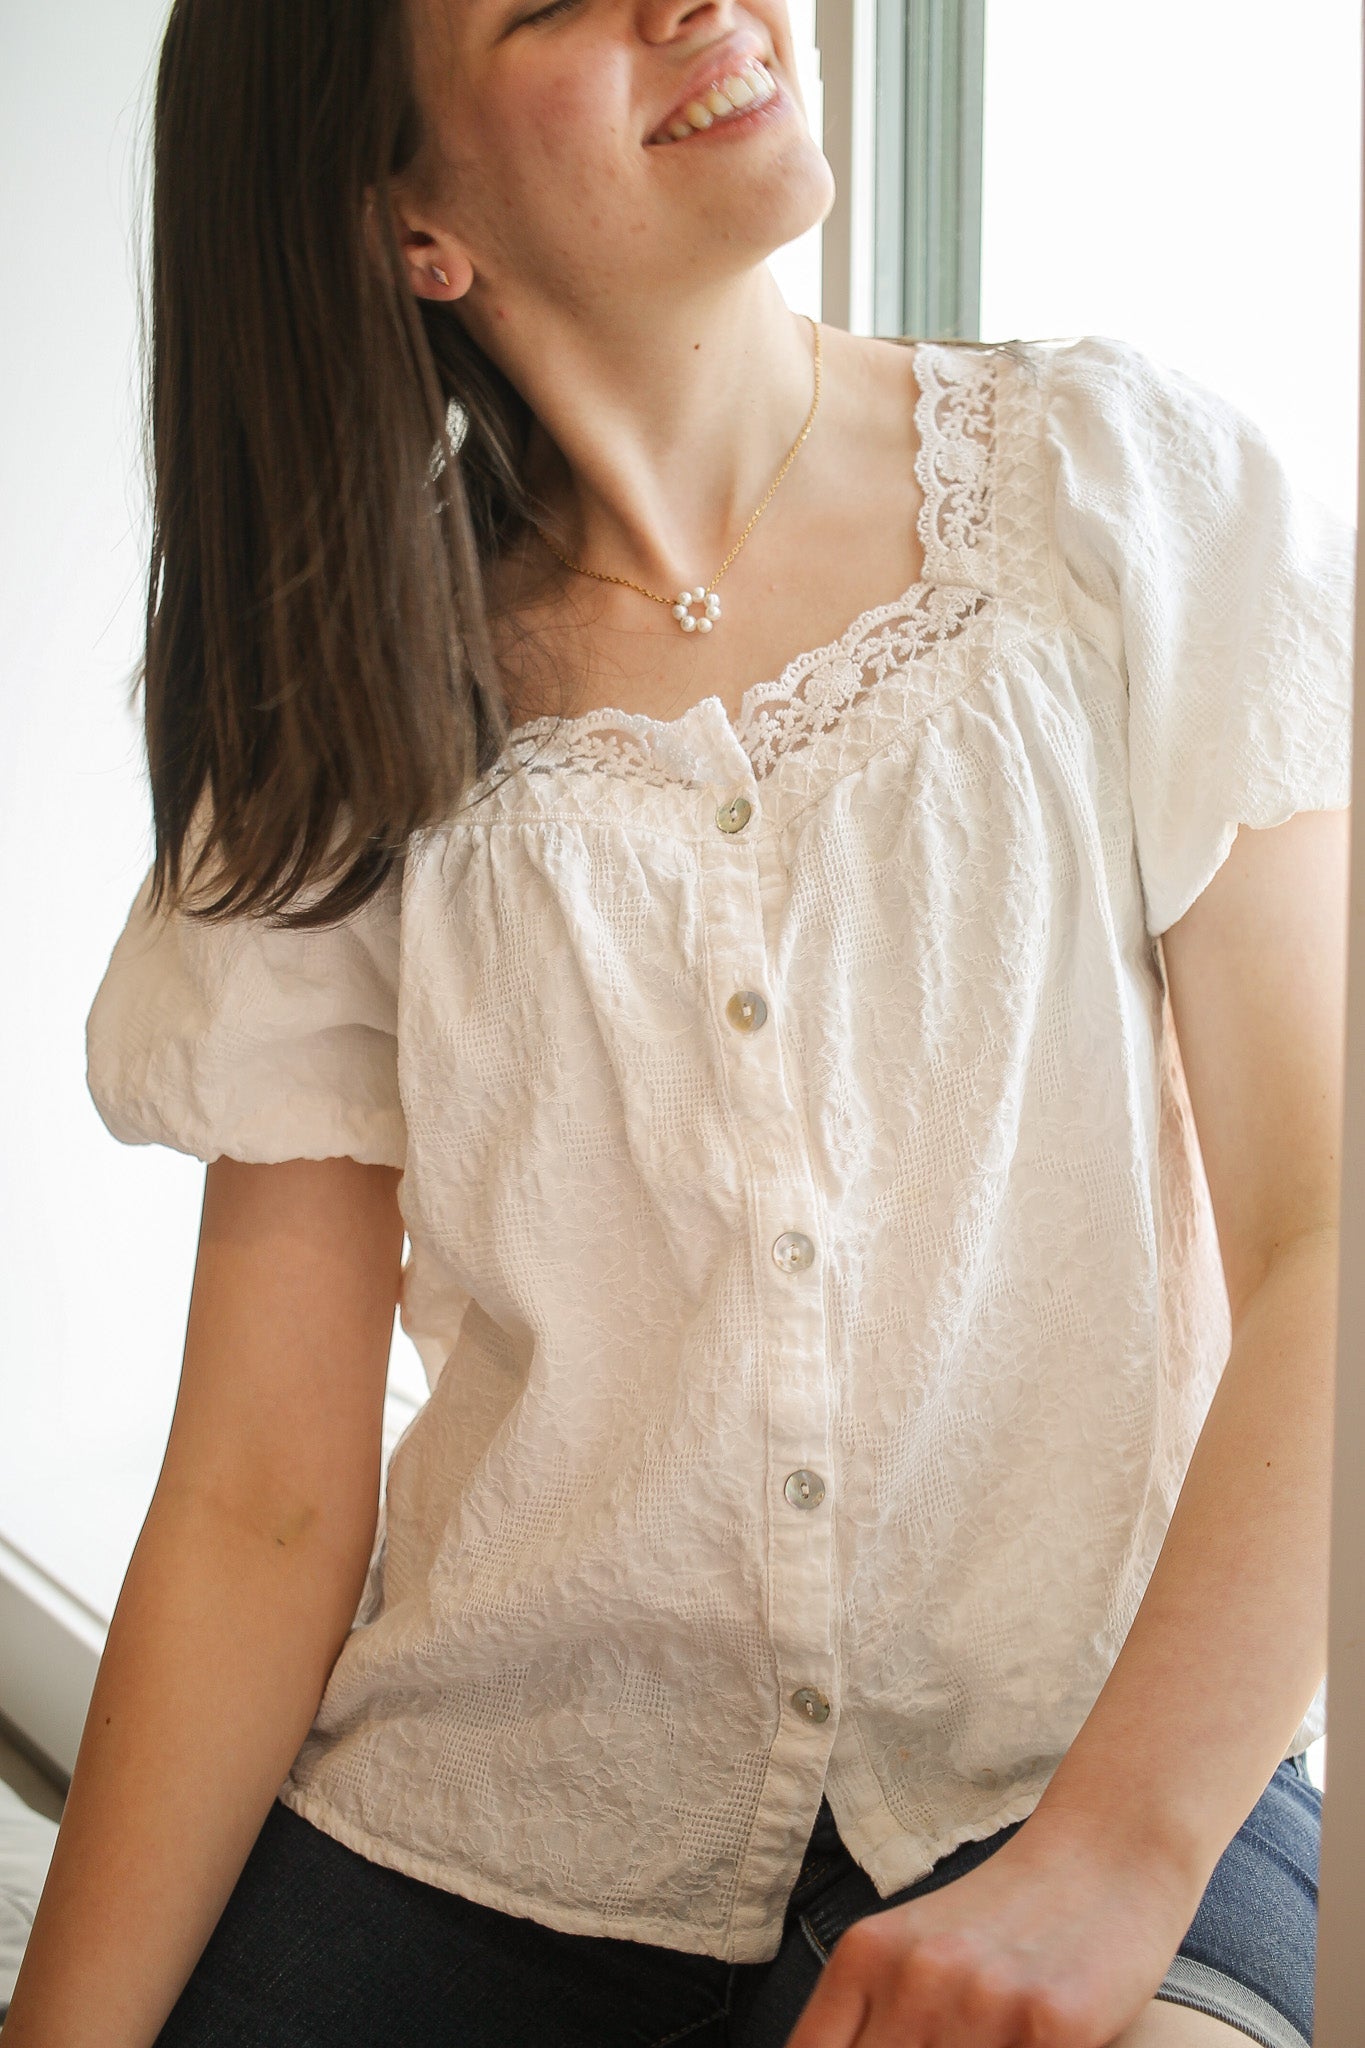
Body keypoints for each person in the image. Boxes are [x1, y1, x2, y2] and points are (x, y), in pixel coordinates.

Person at [4, 0, 1352, 2037]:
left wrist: (1106, 1861)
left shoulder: (1113, 496)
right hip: (480, 1831)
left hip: (1080, 1775)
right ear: (410, 223)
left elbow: (1329, 1241)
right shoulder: (341, 721)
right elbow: (264, 1494)